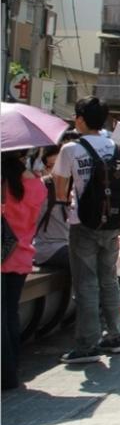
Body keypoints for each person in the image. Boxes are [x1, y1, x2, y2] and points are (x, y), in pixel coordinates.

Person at [51, 96, 120, 364]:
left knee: (86, 284)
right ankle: (114, 337)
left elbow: (60, 190)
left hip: (82, 224)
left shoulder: (71, 149)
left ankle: (87, 344)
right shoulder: (117, 149)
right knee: (110, 280)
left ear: (79, 119)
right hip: (112, 224)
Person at [1, 150, 47, 390]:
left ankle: (5, 374)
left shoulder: (3, 183)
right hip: (21, 256)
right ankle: (11, 370)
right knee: (10, 314)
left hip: (1, 257)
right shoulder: (37, 184)